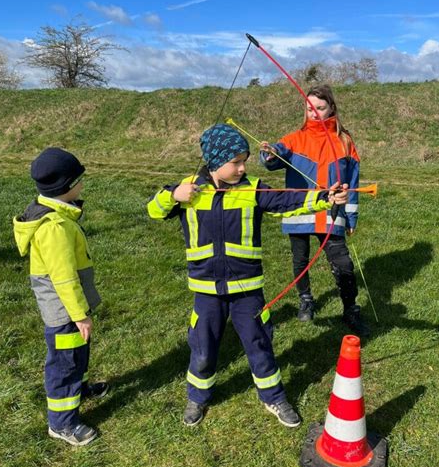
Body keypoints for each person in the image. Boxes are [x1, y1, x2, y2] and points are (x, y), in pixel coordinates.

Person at [147, 123, 348, 428]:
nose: (243, 167)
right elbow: (154, 210)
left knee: (259, 341)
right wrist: (174, 194)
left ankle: (273, 396)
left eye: (245, 161)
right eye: (236, 162)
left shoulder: (253, 189)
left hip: (247, 289)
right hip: (206, 290)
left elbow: (288, 200)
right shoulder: (189, 190)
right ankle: (197, 397)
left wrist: (324, 197)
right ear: (215, 161)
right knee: (203, 345)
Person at [13, 147, 108, 447]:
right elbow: (64, 278)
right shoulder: (54, 227)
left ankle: (79, 389)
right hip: (65, 312)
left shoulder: (60, 214)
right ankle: (62, 423)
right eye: (79, 180)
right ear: (66, 187)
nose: (83, 184)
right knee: (64, 363)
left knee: (77, 354)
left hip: (70, 309)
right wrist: (80, 314)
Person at [260, 84, 370, 337]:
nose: (314, 113)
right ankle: (306, 299)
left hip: (331, 213)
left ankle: (350, 308)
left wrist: (351, 215)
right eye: (310, 108)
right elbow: (274, 158)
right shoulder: (294, 139)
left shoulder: (344, 141)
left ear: (331, 108)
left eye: (320, 108)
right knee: (300, 260)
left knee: (342, 262)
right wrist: (269, 153)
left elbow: (352, 183)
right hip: (300, 210)